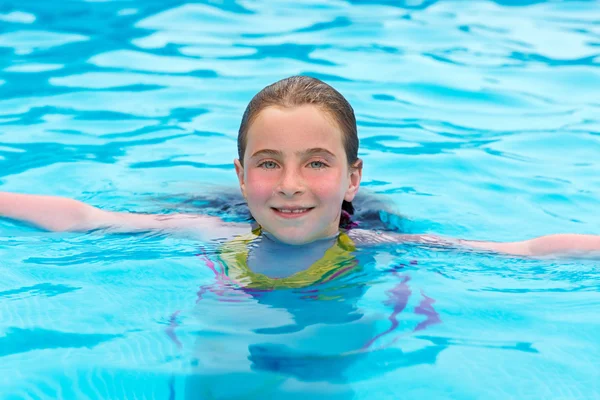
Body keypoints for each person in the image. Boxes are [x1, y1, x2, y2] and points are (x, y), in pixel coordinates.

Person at [0, 75, 598, 266]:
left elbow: (522, 250)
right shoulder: (214, 231)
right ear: (240, 176)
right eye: (268, 164)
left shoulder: (377, 241)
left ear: (352, 177)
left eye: (316, 163)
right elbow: (83, 218)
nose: (289, 183)